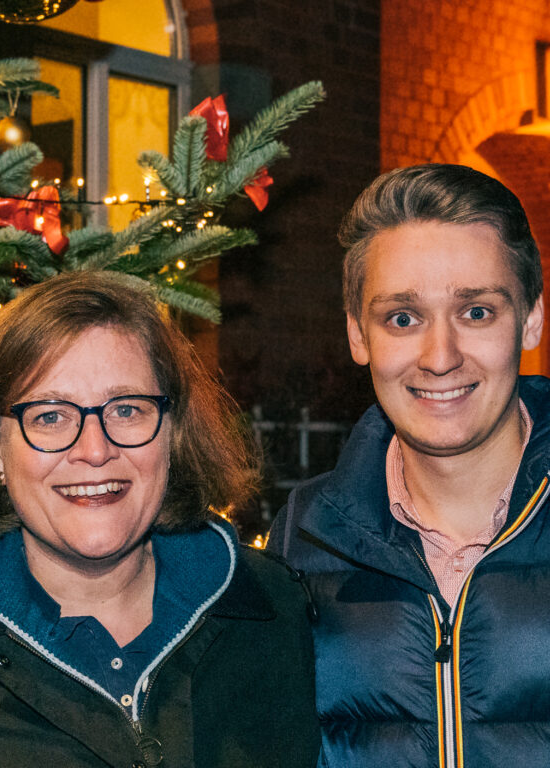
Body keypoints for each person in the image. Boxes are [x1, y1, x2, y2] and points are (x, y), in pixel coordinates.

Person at [0, 270, 320, 767]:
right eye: (50, 416)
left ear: (173, 434)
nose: (95, 450)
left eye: (126, 410)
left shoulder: (272, 608)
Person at [268, 163, 549, 767]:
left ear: (531, 317)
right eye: (403, 318)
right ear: (357, 334)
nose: (440, 357)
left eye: (476, 312)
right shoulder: (305, 535)